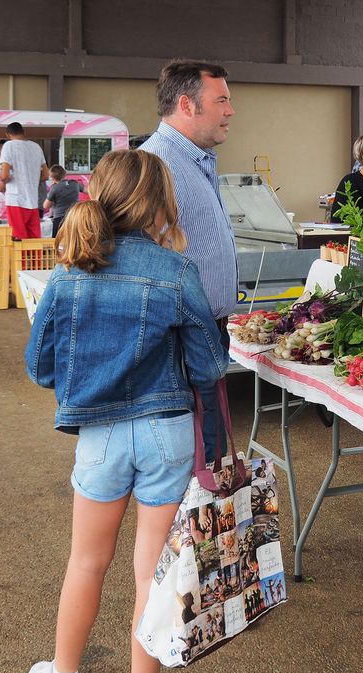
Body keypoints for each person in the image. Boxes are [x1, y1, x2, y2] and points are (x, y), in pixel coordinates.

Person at [23, 149, 228, 673]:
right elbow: (209, 365)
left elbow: (40, 367)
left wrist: (90, 375)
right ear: (161, 203)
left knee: (86, 560)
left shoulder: (68, 271)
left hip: (99, 437)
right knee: (152, 574)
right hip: (166, 434)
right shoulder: (176, 270)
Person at [139, 59, 237, 463]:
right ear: (187, 104)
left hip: (202, 335)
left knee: (208, 459)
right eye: (222, 100)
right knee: (193, 463)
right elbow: (138, 261)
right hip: (178, 343)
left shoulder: (195, 159)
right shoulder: (153, 165)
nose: (231, 111)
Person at [0, 123, 50, 239]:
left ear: (7, 135)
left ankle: (20, 258)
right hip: (32, 201)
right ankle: (35, 258)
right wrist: (30, 180)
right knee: (34, 237)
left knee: (18, 237)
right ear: (24, 132)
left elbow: (4, 175)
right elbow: (46, 175)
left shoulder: (8, 146)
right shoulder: (36, 147)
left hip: (15, 200)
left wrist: (3, 182)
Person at [43, 164, 85, 237]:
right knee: (73, 240)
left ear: (52, 178)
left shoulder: (55, 188)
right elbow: (89, 190)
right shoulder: (75, 184)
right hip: (74, 217)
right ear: (64, 173)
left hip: (59, 219)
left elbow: (45, 205)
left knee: (57, 242)